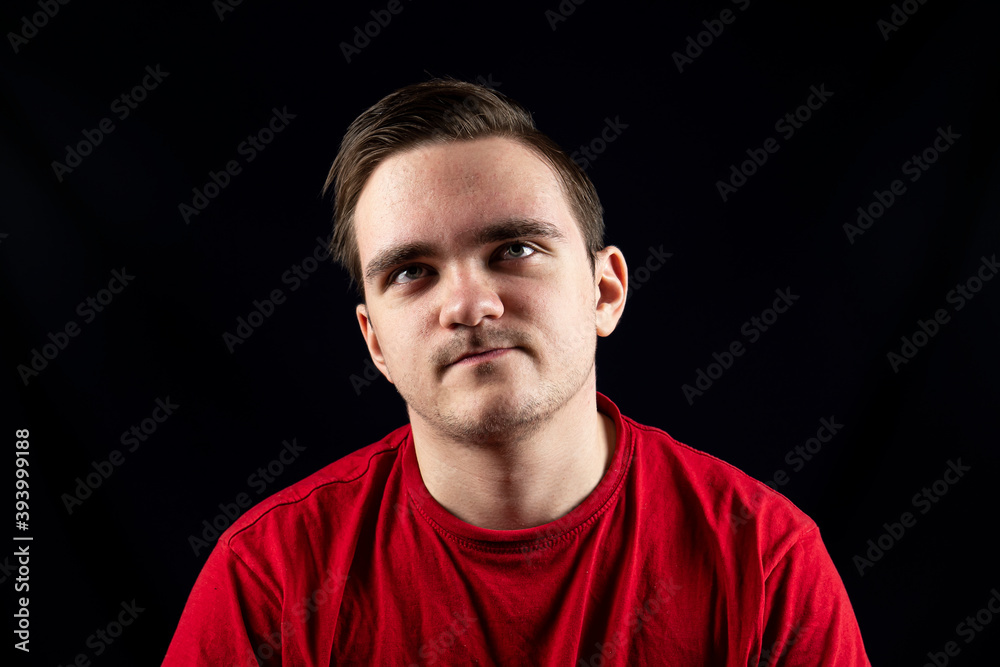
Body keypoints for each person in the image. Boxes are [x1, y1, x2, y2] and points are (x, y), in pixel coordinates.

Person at [162, 77, 870, 666]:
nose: (469, 303)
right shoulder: (269, 578)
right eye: (412, 271)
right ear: (374, 340)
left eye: (514, 248)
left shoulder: (764, 559)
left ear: (605, 291)